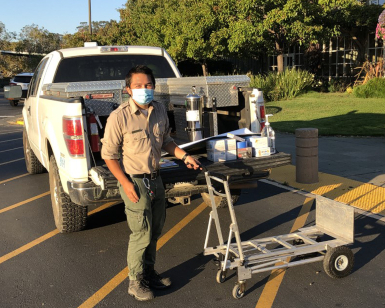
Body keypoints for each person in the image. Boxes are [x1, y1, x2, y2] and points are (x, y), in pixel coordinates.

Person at [101, 65, 201, 301]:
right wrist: (125, 183)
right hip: (134, 182)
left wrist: (185, 156)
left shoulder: (158, 110)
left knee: (155, 231)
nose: (144, 90)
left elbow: (166, 140)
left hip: (156, 179)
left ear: (154, 87)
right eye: (138, 86)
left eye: (148, 85)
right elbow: (109, 155)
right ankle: (135, 281)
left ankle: (148, 272)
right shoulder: (119, 116)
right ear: (128, 90)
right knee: (141, 233)